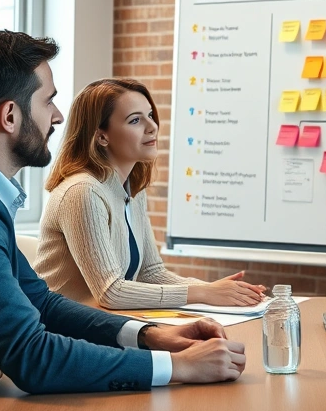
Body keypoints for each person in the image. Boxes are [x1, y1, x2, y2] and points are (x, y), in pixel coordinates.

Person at [0, 30, 246, 411]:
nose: (57, 116)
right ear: (9, 116)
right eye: (48, 100)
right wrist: (177, 366)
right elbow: (31, 356)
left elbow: (40, 303)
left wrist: (152, 337)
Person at [35, 78, 266, 309]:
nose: (152, 126)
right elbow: (111, 292)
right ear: (102, 136)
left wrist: (219, 291)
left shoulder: (132, 190)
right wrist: (203, 293)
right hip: (55, 326)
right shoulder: (82, 192)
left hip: (100, 321)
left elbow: (151, 273)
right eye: (135, 120)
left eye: (150, 115)